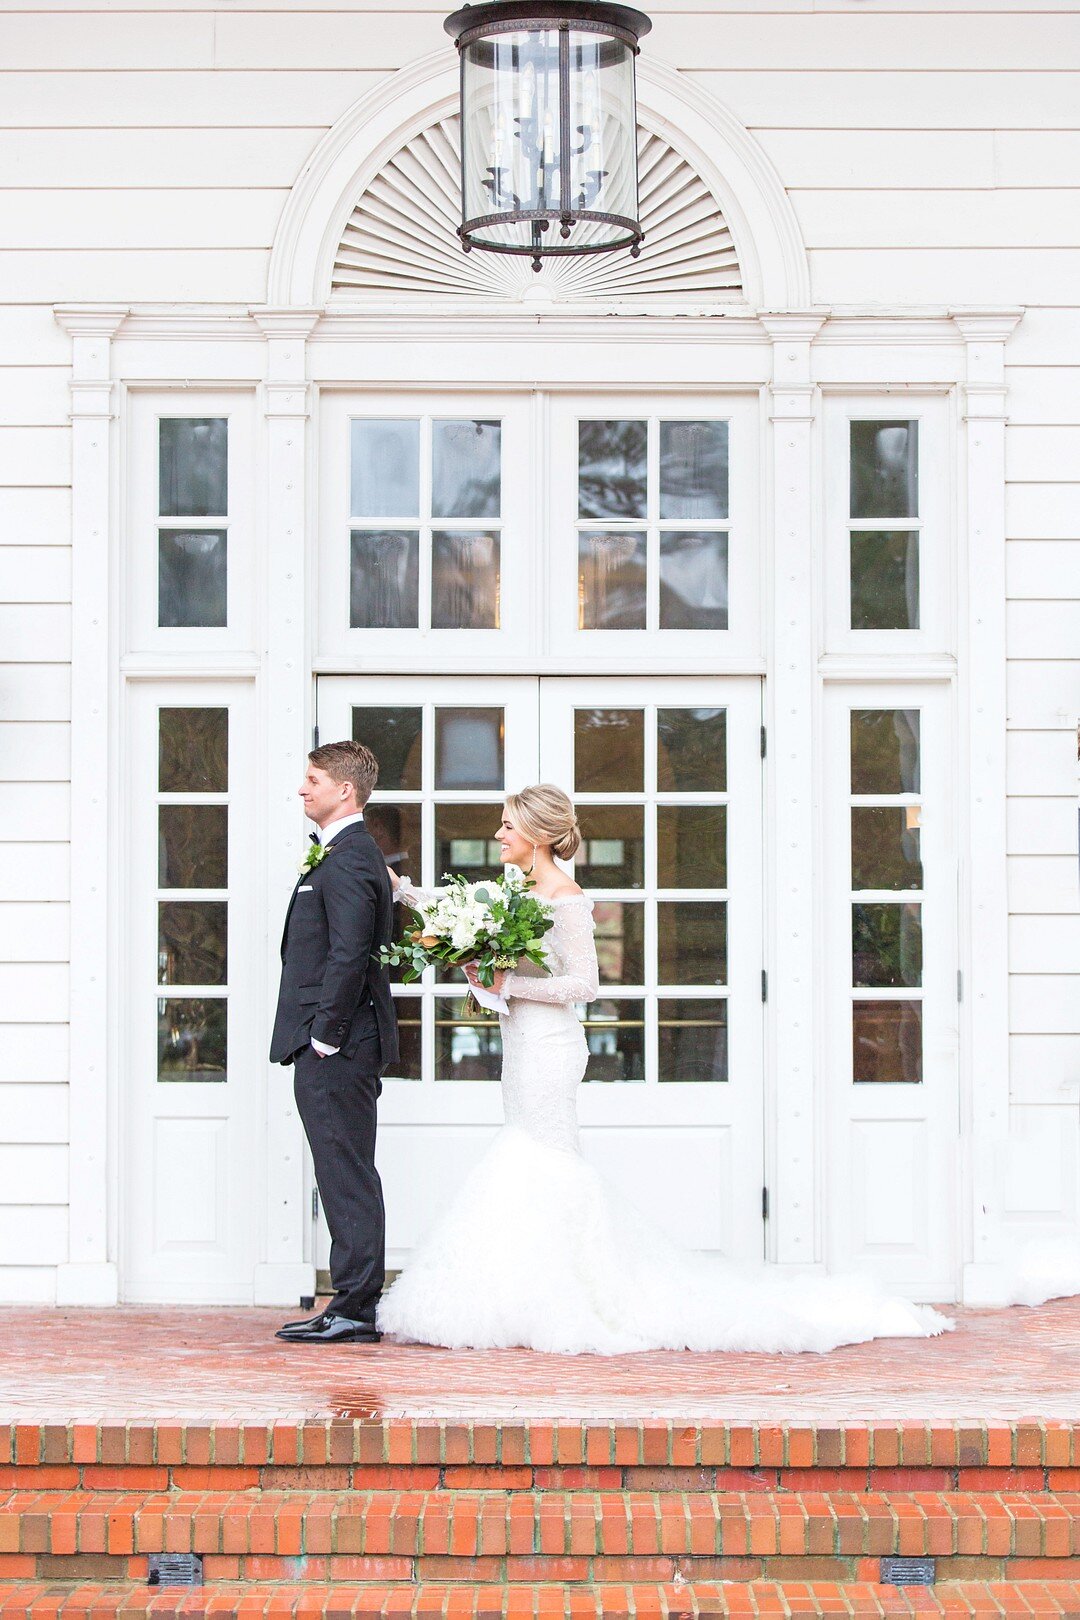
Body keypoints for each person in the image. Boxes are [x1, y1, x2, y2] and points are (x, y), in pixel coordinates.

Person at [377, 783, 953, 1355]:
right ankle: (527, 1292)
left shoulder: (566, 898)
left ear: (537, 834)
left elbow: (585, 983)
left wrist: (511, 984)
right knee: (529, 1156)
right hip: (521, 1044)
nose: (498, 834)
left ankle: (563, 1297)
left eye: (507, 824)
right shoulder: (513, 888)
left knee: (542, 1159)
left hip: (551, 1048)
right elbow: (460, 913)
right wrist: (404, 892)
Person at [270, 740, 398, 1345]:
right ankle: (350, 1301)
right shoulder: (340, 854)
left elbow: (351, 953)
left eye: (313, 778)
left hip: (338, 1046)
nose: (303, 788)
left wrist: (323, 1036)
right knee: (341, 1168)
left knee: (345, 1171)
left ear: (344, 790)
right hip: (333, 1043)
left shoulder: (348, 858)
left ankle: (356, 1307)